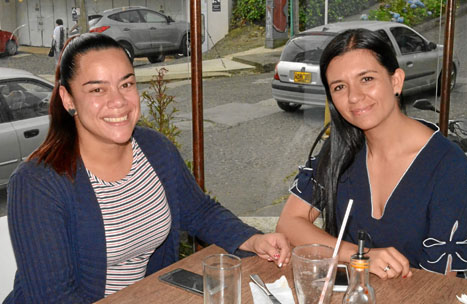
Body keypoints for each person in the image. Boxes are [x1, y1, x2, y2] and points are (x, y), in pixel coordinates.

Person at [4, 33, 291, 303]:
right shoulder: (37, 183)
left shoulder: (154, 149)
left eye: (126, 84)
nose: (118, 101)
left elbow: (199, 211)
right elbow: (55, 297)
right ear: (68, 99)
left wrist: (252, 239)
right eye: (97, 89)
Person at [276, 29, 467, 280]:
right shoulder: (341, 148)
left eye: (367, 79)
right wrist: (358, 256)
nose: (354, 97)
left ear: (396, 81)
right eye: (339, 87)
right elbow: (290, 222)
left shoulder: (446, 163)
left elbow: (442, 280)